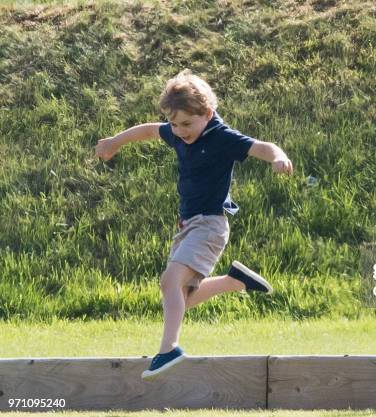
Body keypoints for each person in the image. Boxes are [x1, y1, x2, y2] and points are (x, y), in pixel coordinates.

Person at [95, 69, 293, 378]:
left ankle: (168, 349)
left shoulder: (221, 137)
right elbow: (149, 130)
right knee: (181, 298)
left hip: (210, 225)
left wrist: (278, 157)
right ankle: (234, 282)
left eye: (187, 124)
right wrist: (115, 142)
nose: (180, 131)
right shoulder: (177, 133)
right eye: (175, 124)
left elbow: (261, 147)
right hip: (189, 225)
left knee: (168, 282)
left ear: (208, 113)